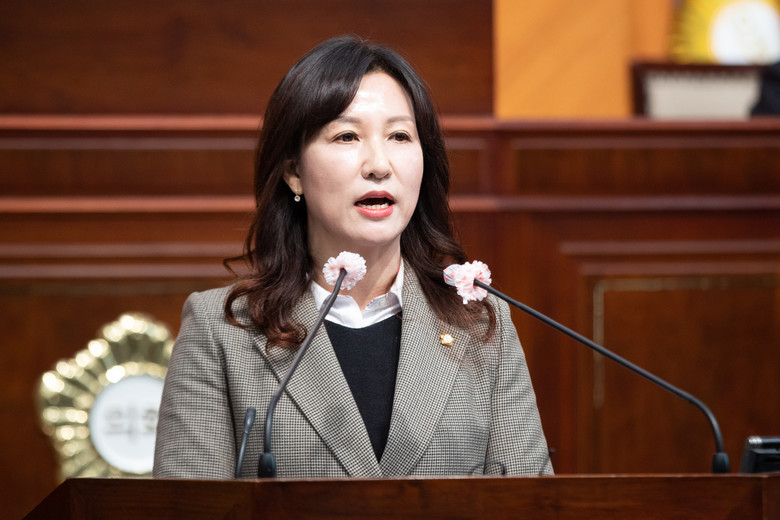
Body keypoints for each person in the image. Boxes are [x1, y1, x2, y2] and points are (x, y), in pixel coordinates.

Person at [153, 35, 552, 478]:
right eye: (347, 136)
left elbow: (532, 500)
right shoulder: (221, 331)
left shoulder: (480, 325)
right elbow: (188, 505)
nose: (379, 164)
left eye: (400, 136)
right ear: (293, 172)